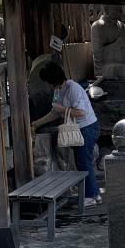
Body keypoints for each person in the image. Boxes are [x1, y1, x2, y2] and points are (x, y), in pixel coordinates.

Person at [32, 62, 102, 206]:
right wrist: (37, 123)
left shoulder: (72, 88)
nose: (46, 85)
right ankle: (94, 194)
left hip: (87, 128)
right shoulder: (58, 90)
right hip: (79, 129)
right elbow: (54, 112)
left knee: (83, 162)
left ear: (53, 79)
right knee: (82, 161)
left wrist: (62, 109)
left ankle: (91, 196)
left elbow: (81, 112)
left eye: (47, 81)